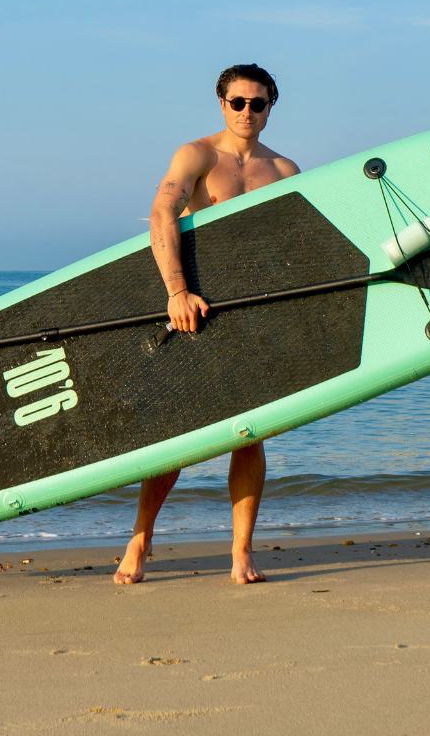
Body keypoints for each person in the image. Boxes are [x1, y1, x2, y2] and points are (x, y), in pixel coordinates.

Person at [113, 63, 300, 586]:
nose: (246, 111)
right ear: (222, 104)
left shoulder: (285, 171)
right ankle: (141, 538)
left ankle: (241, 551)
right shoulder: (197, 155)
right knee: (175, 432)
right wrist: (176, 291)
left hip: (251, 311)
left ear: (269, 108)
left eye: (257, 103)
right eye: (237, 102)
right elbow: (162, 212)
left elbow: (293, 250)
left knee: (251, 434)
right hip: (192, 305)